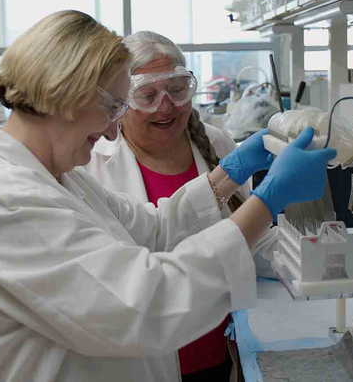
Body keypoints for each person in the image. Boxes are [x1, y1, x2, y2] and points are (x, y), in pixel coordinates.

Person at [0, 10, 336, 382]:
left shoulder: (55, 175)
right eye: (112, 107)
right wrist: (266, 202)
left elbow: (156, 229)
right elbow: (148, 305)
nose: (112, 130)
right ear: (64, 93)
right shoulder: (1, 201)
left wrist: (229, 174)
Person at [85, 31, 278, 380]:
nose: (166, 106)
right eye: (147, 95)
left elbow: (250, 237)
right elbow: (144, 253)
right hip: (146, 355)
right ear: (121, 102)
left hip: (219, 341)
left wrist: (314, 258)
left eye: (177, 90)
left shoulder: (215, 142)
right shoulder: (91, 164)